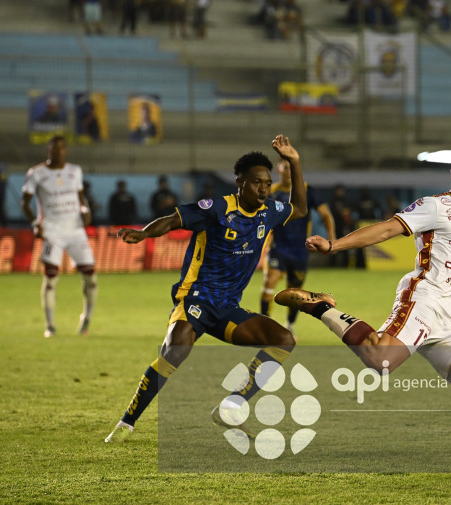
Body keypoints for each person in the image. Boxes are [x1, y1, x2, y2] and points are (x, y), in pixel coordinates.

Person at [274, 141, 451, 468]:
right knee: (380, 362)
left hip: (449, 321)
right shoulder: (435, 206)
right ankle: (322, 307)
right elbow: (387, 229)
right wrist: (333, 245)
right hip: (423, 301)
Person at [105, 134, 308, 443]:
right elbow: (173, 220)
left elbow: (300, 209)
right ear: (240, 183)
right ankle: (126, 423)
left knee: (283, 339)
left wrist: (294, 161)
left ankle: (231, 407)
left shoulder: (268, 212)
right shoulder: (216, 209)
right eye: (257, 183)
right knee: (176, 351)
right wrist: (143, 234)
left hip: (228, 308)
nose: (264, 189)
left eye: (267, 183)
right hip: (196, 298)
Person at [21, 136, 97, 337]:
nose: (57, 151)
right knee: (51, 277)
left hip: (75, 230)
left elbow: (81, 198)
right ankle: (50, 326)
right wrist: (35, 224)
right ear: (48, 150)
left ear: (66, 150)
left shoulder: (75, 171)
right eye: (54, 148)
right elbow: (25, 203)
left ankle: (86, 320)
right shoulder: (36, 173)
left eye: (61, 148)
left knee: (91, 276)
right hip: (52, 231)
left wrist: (85, 209)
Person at [259, 158, 336, 337]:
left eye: (290, 168)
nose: (287, 171)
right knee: (269, 282)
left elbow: (326, 214)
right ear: (278, 170)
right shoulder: (272, 192)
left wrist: (332, 240)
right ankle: (264, 324)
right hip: (278, 247)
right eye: (284, 167)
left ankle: (290, 325)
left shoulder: (308, 191)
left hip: (300, 250)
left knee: (294, 292)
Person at [328, 184, 356, 268]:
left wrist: (347, 212)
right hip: (336, 226)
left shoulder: (346, 200)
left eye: (341, 190)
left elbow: (350, 211)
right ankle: (332, 265)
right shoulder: (333, 201)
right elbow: (332, 213)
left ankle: (345, 265)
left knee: (345, 245)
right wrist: (341, 212)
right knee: (333, 245)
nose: (340, 192)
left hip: (345, 227)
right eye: (338, 190)